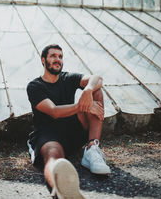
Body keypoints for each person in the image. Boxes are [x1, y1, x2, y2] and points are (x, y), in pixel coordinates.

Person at [27, 44, 110, 199]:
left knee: (96, 90)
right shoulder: (35, 86)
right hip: (48, 134)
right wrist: (82, 106)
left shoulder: (68, 78)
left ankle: (92, 148)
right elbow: (54, 112)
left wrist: (88, 90)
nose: (57, 59)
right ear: (43, 60)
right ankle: (59, 188)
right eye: (53, 56)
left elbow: (97, 78)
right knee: (53, 156)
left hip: (72, 131)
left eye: (60, 56)